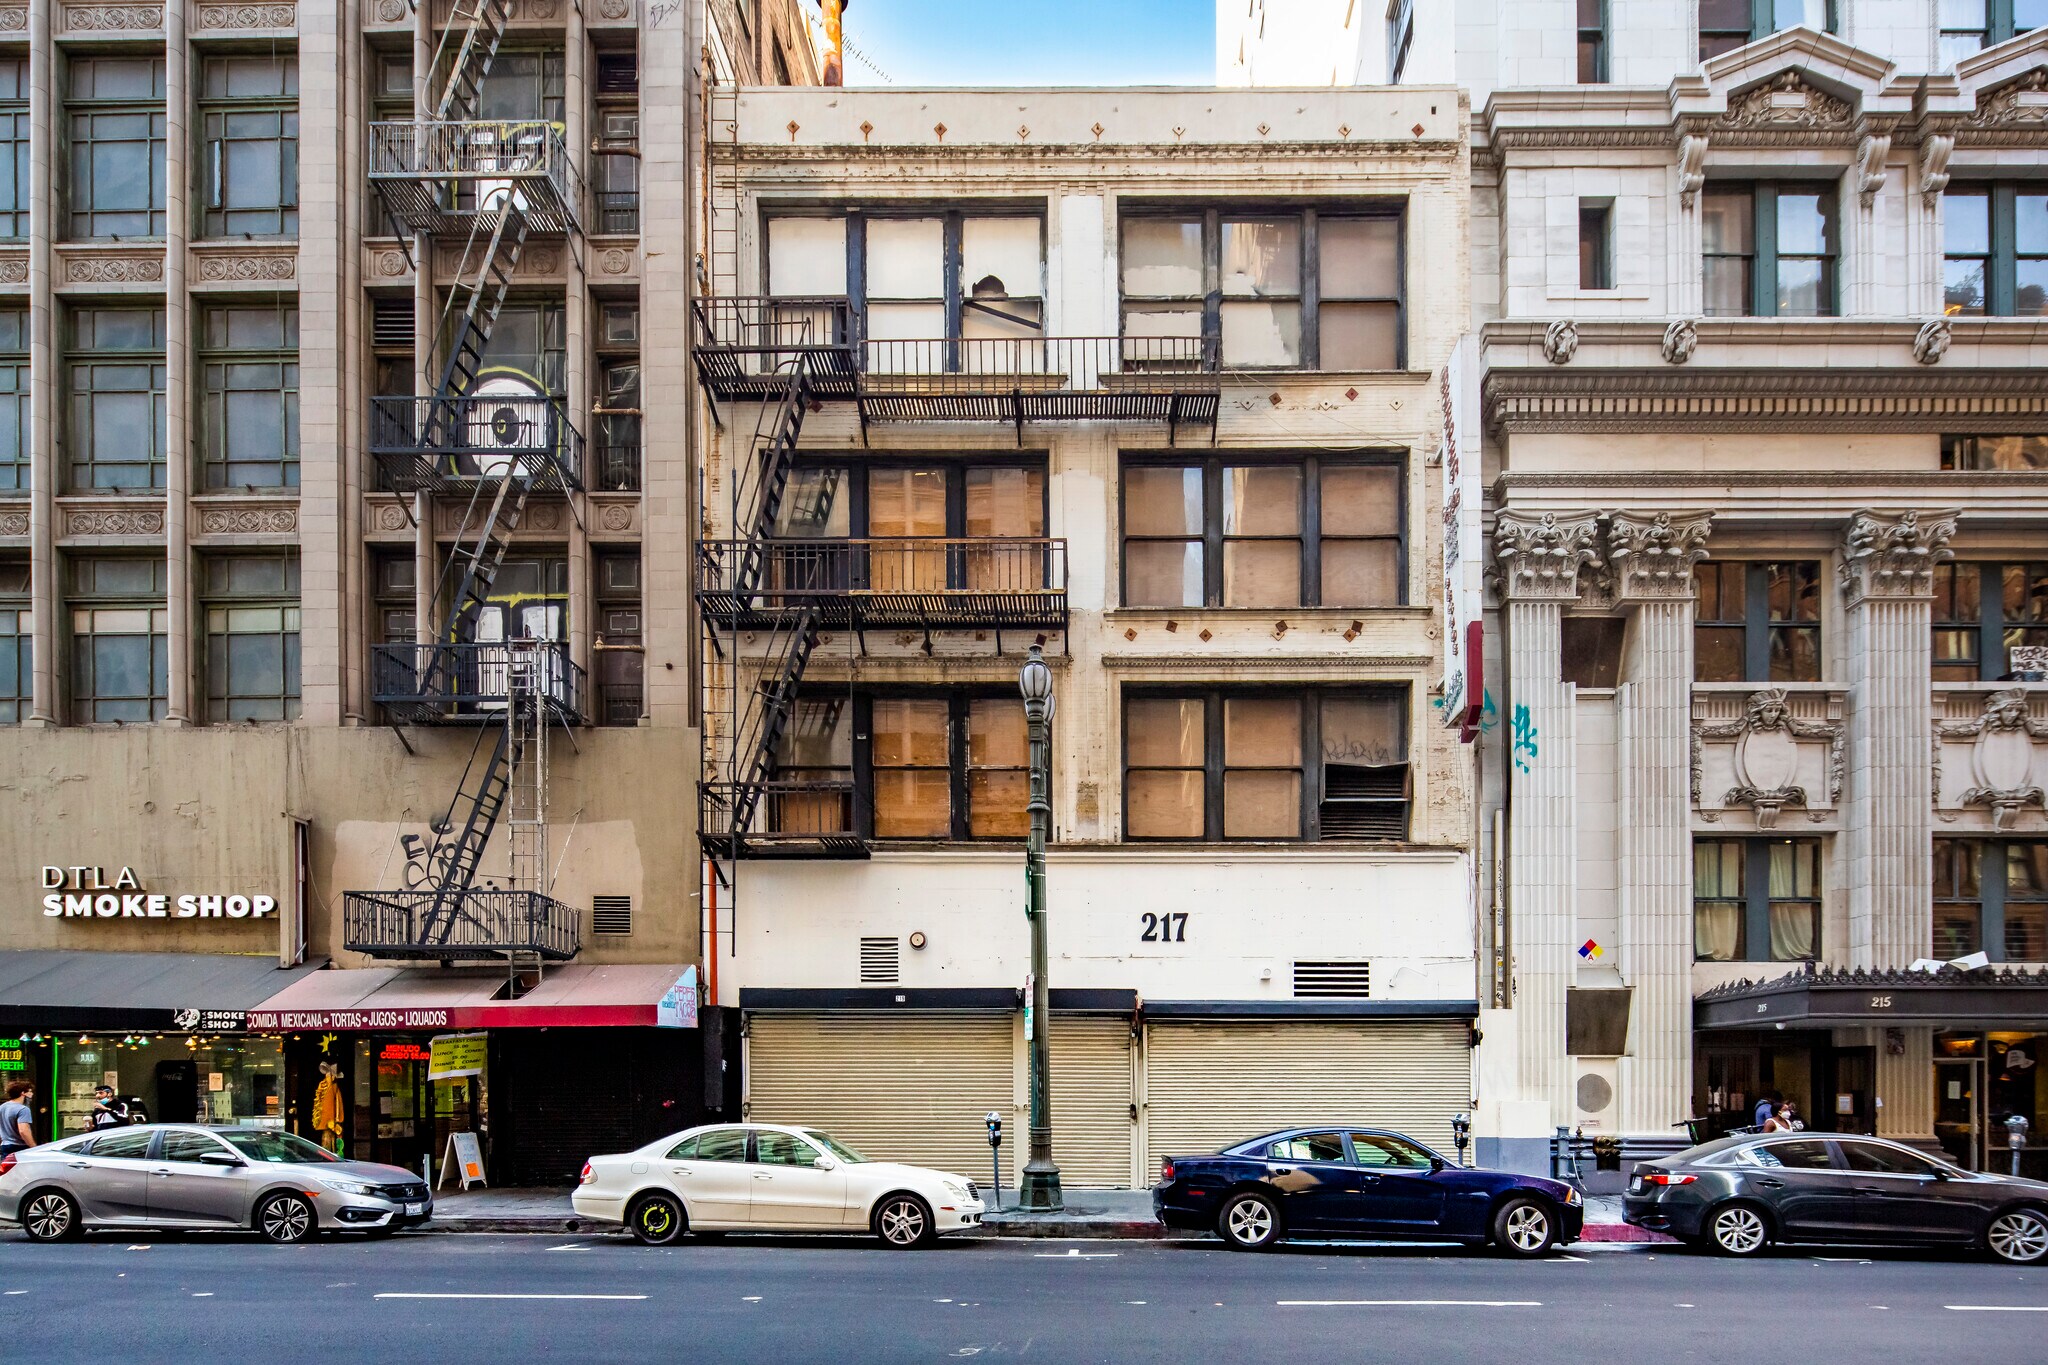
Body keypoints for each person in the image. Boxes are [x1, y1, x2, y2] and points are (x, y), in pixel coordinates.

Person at [0, 1079, 35, 1156]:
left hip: (4, 1145)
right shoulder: (23, 1109)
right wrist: (34, 1147)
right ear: (23, 1093)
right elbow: (23, 1130)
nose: (32, 1094)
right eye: (30, 1091)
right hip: (19, 1147)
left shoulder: (2, 1107)